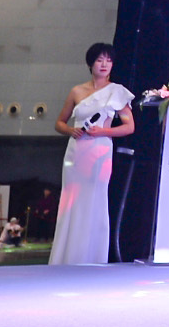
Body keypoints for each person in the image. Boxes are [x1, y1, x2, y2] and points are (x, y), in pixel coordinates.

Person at [50, 42, 134, 265]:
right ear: (91, 64)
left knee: (95, 199)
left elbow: (129, 126)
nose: (104, 64)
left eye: (109, 60)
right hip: (76, 151)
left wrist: (103, 131)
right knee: (72, 200)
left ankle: (91, 257)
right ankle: (66, 257)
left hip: (100, 151)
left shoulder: (117, 92)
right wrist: (70, 130)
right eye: (99, 60)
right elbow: (59, 122)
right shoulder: (77, 91)